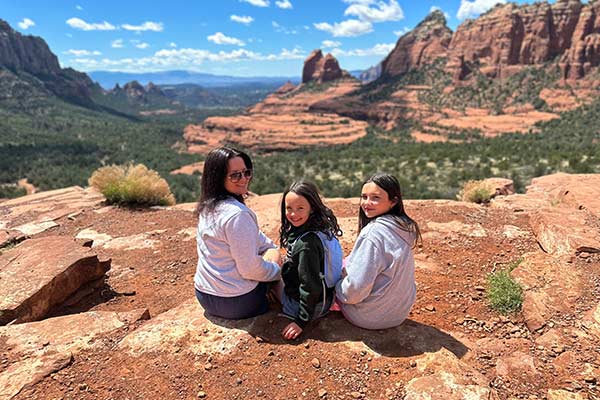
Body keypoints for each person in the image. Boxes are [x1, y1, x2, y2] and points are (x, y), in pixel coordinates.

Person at [194, 146, 281, 320]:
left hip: (205, 296)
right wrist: (277, 271)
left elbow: (258, 238)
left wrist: (268, 248)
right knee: (275, 255)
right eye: (235, 175)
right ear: (218, 178)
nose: (243, 179)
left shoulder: (208, 207)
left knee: (270, 250)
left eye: (246, 172)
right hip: (237, 302)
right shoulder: (237, 215)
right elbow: (249, 269)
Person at [335, 173, 421, 330]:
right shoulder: (403, 227)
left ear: (393, 201)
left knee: (333, 272)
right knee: (348, 262)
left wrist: (336, 288)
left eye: (375, 198)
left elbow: (355, 290)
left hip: (369, 317)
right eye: (364, 196)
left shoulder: (373, 234)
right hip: (399, 315)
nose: (367, 203)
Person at [278, 180, 343, 340]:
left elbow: (310, 286)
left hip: (310, 308)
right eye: (289, 208)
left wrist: (300, 321)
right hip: (325, 298)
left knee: (271, 278)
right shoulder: (320, 229)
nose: (293, 214)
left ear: (311, 208)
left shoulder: (306, 245)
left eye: (300, 208)